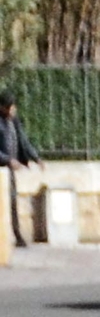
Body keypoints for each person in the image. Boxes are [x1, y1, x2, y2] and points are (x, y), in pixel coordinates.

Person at [0, 95, 40, 249]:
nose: (13, 110)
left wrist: (35, 157)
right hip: (2, 168)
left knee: (12, 201)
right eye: (10, 107)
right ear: (3, 107)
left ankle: (17, 235)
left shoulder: (13, 122)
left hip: (9, 171)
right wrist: (8, 159)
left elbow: (23, 140)